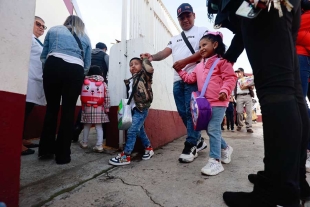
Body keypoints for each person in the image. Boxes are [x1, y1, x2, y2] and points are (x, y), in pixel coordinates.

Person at [211, 0, 310, 206]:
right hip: (277, 9)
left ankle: (281, 190)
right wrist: (230, 56)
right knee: (291, 93)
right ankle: (292, 180)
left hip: (267, 8)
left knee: (277, 92)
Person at [141, 3, 208, 163]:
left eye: (188, 16)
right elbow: (165, 52)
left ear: (193, 15)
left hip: (193, 78)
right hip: (177, 80)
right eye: (181, 17)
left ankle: (191, 144)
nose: (185, 20)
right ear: (178, 19)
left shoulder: (202, 31)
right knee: (182, 112)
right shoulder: (175, 38)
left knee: (191, 112)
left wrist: (184, 61)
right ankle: (198, 140)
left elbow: (205, 51)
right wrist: (151, 57)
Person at [175, 31, 237, 176]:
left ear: (215, 45)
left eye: (204, 45)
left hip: (219, 101)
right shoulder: (199, 66)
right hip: (205, 104)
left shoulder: (222, 61)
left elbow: (230, 78)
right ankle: (226, 148)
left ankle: (215, 161)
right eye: (200, 46)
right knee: (210, 130)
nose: (201, 48)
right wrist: (179, 71)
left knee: (213, 129)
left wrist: (224, 91)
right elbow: (190, 79)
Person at [39, 15, 92, 165]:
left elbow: (44, 55)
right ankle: (63, 156)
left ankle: (46, 149)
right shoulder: (86, 37)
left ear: (66, 22)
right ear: (80, 24)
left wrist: (47, 71)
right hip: (75, 69)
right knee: (68, 111)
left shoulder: (54, 29)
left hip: (53, 64)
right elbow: (87, 64)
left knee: (52, 108)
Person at [109, 55, 154, 166]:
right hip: (134, 109)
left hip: (142, 108)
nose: (133, 66)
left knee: (132, 131)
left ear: (142, 66)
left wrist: (144, 60)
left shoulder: (145, 76)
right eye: (130, 65)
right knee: (139, 131)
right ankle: (149, 148)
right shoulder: (132, 79)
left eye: (136, 64)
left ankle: (126, 155)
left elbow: (149, 69)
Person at [72, 42, 109, 143]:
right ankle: (104, 135)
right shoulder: (105, 55)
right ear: (104, 48)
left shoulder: (88, 54)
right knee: (101, 108)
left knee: (84, 107)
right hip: (99, 85)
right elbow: (110, 68)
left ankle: (76, 129)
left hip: (86, 83)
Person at [22, 16, 47, 156]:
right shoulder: (28, 38)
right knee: (24, 111)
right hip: (29, 80)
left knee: (28, 110)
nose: (41, 27)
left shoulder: (38, 41)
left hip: (36, 81)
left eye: (44, 26)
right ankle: (17, 142)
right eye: (38, 24)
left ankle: (22, 138)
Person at [79, 66, 110, 152]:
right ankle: (99, 145)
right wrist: (107, 107)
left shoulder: (85, 82)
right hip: (99, 108)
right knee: (99, 127)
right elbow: (106, 97)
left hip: (87, 108)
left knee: (86, 126)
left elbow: (82, 96)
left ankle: (84, 143)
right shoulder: (103, 83)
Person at [296, 0, 310, 173]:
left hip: (301, 57)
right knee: (299, 104)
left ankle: (306, 148)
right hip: (298, 57)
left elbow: (296, 34)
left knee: (299, 104)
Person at [234, 68, 253, 133]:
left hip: (248, 95)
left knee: (249, 112)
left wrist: (250, 85)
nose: (237, 73)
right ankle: (240, 125)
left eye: (238, 72)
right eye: (236, 72)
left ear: (242, 72)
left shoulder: (248, 78)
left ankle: (249, 127)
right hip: (239, 96)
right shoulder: (236, 80)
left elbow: (252, 86)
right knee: (239, 112)